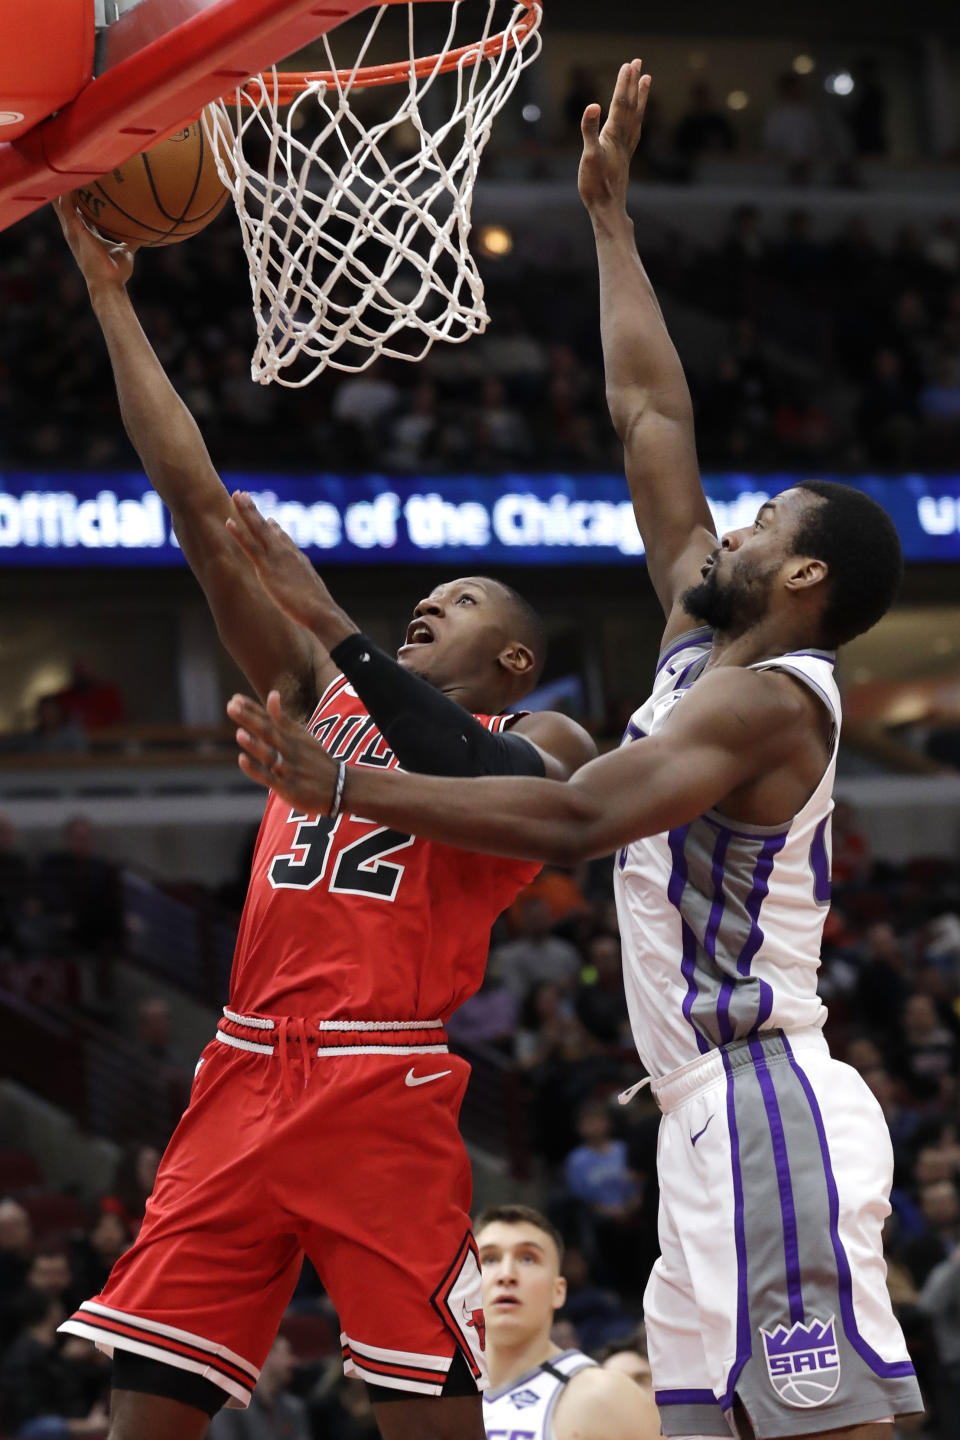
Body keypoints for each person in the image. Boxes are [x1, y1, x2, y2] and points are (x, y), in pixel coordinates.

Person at [230, 61, 924, 1440]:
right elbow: (652, 422)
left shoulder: (772, 699)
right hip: (701, 1110)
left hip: (766, 1088)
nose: (731, 528)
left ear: (803, 582)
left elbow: (569, 820)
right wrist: (609, 220)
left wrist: (347, 782)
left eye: (764, 522)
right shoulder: (698, 644)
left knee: (824, 1424)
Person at [53, 200, 595, 1440]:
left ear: (514, 658)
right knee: (148, 1407)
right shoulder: (329, 692)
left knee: (422, 1414)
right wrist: (112, 300)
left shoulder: (548, 742)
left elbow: (505, 787)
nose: (427, 606)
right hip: (242, 1065)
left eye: (455, 602)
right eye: (424, 598)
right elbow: (195, 507)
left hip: (378, 1079)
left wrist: (341, 626)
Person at [475, 1204, 658, 1440]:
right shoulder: (433, 1402)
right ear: (465, 1284)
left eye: (528, 1258)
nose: (506, 1274)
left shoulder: (605, 1396)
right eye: (489, 1259)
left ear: (558, 1291)